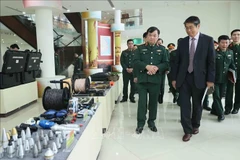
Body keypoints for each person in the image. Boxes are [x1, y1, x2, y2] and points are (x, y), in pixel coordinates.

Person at [172, 16, 215, 142]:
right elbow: (177, 62)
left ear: (198, 26)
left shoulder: (207, 40)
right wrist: (174, 79)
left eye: (191, 27)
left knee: (197, 105)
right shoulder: (183, 42)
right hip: (184, 78)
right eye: (186, 28)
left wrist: (210, 80)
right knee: (184, 105)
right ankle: (187, 130)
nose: (188, 30)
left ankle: (196, 124)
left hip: (200, 78)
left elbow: (211, 62)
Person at [134, 26, 169, 134]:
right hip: (142, 81)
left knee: (153, 103)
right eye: (150, 35)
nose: (152, 37)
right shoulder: (139, 49)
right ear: (146, 36)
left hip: (155, 81)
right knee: (142, 103)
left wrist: (156, 68)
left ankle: (151, 122)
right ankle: (140, 124)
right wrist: (147, 67)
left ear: (158, 37)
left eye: (154, 35)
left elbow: (166, 63)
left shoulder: (163, 50)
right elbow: (136, 62)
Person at [211, 35, 235, 121]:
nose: (224, 44)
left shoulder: (230, 52)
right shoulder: (213, 52)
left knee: (220, 96)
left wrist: (233, 75)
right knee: (216, 96)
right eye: (222, 42)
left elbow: (232, 65)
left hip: (225, 79)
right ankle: (221, 114)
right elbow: (210, 67)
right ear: (218, 43)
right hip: (215, 79)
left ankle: (214, 110)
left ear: (229, 43)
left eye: (226, 42)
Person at [225, 29, 240, 115]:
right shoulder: (228, 47)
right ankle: (227, 108)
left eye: (238, 35)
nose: (236, 36)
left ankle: (236, 107)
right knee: (229, 91)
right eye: (234, 35)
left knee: (238, 91)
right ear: (231, 36)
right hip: (230, 73)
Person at [157, 38, 168, 104]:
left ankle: (161, 99)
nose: (159, 44)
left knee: (162, 85)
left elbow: (167, 60)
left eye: (160, 43)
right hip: (155, 70)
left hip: (162, 70)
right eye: (158, 43)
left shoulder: (165, 50)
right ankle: (156, 98)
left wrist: (167, 69)